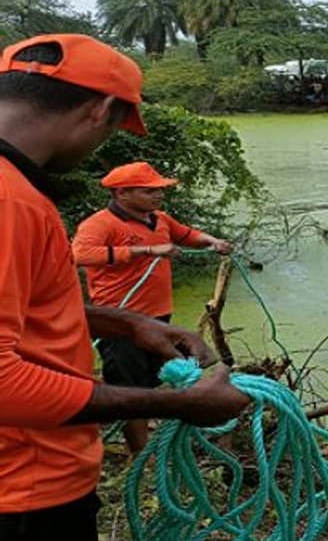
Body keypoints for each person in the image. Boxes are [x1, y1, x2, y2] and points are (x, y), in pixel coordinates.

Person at [0, 34, 249, 539]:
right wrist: (175, 404)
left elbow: (22, 308)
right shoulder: (13, 202)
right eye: (115, 127)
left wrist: (125, 321)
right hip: (25, 489)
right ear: (103, 109)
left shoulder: (19, 191)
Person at [72, 162, 233, 454]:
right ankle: (140, 458)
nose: (158, 196)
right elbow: (80, 255)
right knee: (130, 388)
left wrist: (212, 241)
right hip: (119, 321)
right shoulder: (100, 223)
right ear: (122, 193)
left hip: (159, 317)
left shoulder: (159, 219)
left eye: (160, 190)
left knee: (160, 376)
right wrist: (145, 251)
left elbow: (186, 234)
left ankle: (163, 433)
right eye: (149, 191)